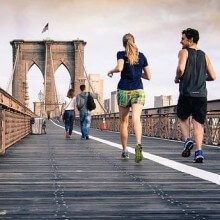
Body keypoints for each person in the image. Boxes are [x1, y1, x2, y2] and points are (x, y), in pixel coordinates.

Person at [107, 33, 151, 163]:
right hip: (138, 90)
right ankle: (138, 144)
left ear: (123, 43)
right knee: (136, 119)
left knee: (124, 122)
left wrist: (110, 71)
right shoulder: (141, 56)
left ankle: (125, 151)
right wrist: (138, 73)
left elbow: (120, 68)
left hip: (124, 90)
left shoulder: (121, 54)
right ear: (134, 41)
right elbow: (149, 76)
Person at [175, 28, 216, 163]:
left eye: (183, 39)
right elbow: (213, 76)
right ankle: (199, 152)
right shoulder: (205, 55)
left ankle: (187, 140)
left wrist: (177, 77)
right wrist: (201, 78)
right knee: (198, 124)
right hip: (201, 95)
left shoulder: (184, 52)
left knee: (182, 117)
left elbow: (181, 68)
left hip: (187, 93)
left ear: (190, 40)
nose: (181, 41)